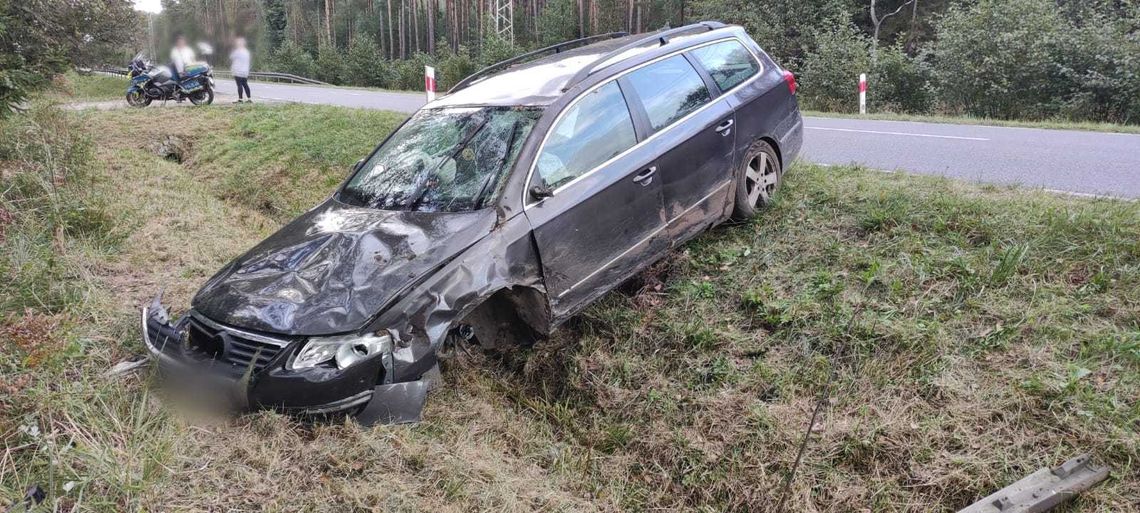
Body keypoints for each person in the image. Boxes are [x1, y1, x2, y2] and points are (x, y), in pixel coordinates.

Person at [229, 37, 252, 103]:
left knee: (239, 85)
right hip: (245, 71)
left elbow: (231, 57)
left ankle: (240, 99)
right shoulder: (247, 52)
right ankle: (249, 99)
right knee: (245, 84)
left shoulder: (237, 51)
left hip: (238, 70)